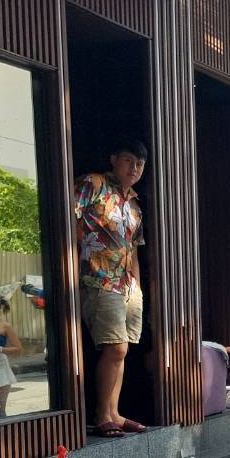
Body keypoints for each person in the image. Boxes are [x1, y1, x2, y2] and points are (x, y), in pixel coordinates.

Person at [74, 140, 149, 438]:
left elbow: (134, 247)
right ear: (114, 159)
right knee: (115, 346)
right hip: (98, 278)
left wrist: (137, 286)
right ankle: (101, 414)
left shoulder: (134, 204)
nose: (134, 168)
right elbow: (67, 218)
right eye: (129, 160)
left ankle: (115, 413)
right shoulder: (93, 184)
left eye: (139, 164)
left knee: (123, 350)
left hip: (127, 284)